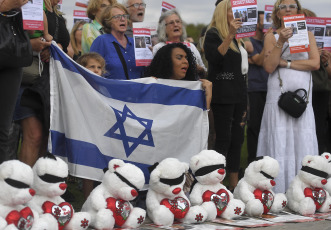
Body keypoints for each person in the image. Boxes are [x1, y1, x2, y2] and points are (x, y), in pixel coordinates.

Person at [256, 0, 320, 193]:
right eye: (283, 6)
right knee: (280, 134)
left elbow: (315, 64)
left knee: (301, 135)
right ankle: (279, 190)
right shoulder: (271, 36)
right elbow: (269, 66)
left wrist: (288, 63)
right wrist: (281, 41)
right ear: (277, 13)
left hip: (301, 93)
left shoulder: (307, 34)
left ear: (298, 11)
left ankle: (305, 190)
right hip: (279, 92)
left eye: (292, 6)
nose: (288, 9)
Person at [16, 0, 70, 167]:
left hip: (48, 81)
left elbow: (66, 47)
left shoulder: (58, 15)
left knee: (45, 137)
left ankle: (37, 186)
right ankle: (21, 185)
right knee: (34, 135)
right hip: (28, 78)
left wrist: (58, 47)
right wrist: (33, 46)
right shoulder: (28, 5)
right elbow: (13, 38)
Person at [203, 0, 248, 191]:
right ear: (223, 13)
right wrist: (230, 35)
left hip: (239, 92)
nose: (236, 14)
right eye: (232, 11)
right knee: (223, 138)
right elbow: (215, 58)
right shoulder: (212, 34)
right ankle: (217, 185)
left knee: (238, 139)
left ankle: (235, 186)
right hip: (222, 93)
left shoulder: (239, 38)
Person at [0, 0, 34, 164]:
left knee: (3, 129)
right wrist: (5, 6)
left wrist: (30, 10)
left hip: (12, 58)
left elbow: (34, 30)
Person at [146, 42, 212, 112]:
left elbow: (202, 120)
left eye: (186, 58)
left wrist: (207, 97)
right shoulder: (152, 89)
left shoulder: (193, 92)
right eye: (179, 58)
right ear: (167, 62)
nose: (185, 61)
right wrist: (147, 88)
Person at [302, 8, 331, 154]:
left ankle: (320, 157)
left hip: (321, 89)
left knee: (319, 127)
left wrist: (325, 61)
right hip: (303, 88)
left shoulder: (325, 44)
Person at [90, 3, 144, 79]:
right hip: (112, 90)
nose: (122, 19)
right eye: (117, 17)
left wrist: (150, 55)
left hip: (138, 89)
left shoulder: (137, 42)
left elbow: (146, 70)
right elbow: (91, 71)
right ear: (108, 21)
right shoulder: (101, 41)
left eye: (124, 16)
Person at [246, 11, 269, 164]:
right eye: (262, 21)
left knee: (267, 127)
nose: (265, 24)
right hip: (254, 88)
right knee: (254, 127)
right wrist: (268, 42)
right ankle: (252, 160)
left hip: (269, 89)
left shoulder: (269, 40)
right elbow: (260, 61)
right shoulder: (250, 42)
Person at [153, 9, 206, 74]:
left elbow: (204, 70)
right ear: (163, 28)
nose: (175, 25)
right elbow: (154, 71)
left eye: (178, 21)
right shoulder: (159, 48)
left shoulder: (191, 46)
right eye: (171, 23)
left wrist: (198, 68)